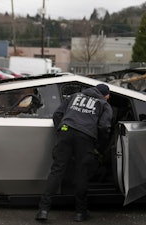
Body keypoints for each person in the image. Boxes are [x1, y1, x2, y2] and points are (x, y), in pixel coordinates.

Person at [35, 84, 113, 222]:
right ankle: (80, 213)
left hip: (66, 131)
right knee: (81, 173)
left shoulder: (74, 96)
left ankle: (43, 210)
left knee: (57, 171)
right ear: (105, 95)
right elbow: (104, 127)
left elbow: (57, 114)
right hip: (85, 137)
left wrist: (61, 132)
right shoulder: (103, 104)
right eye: (109, 95)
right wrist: (100, 145)